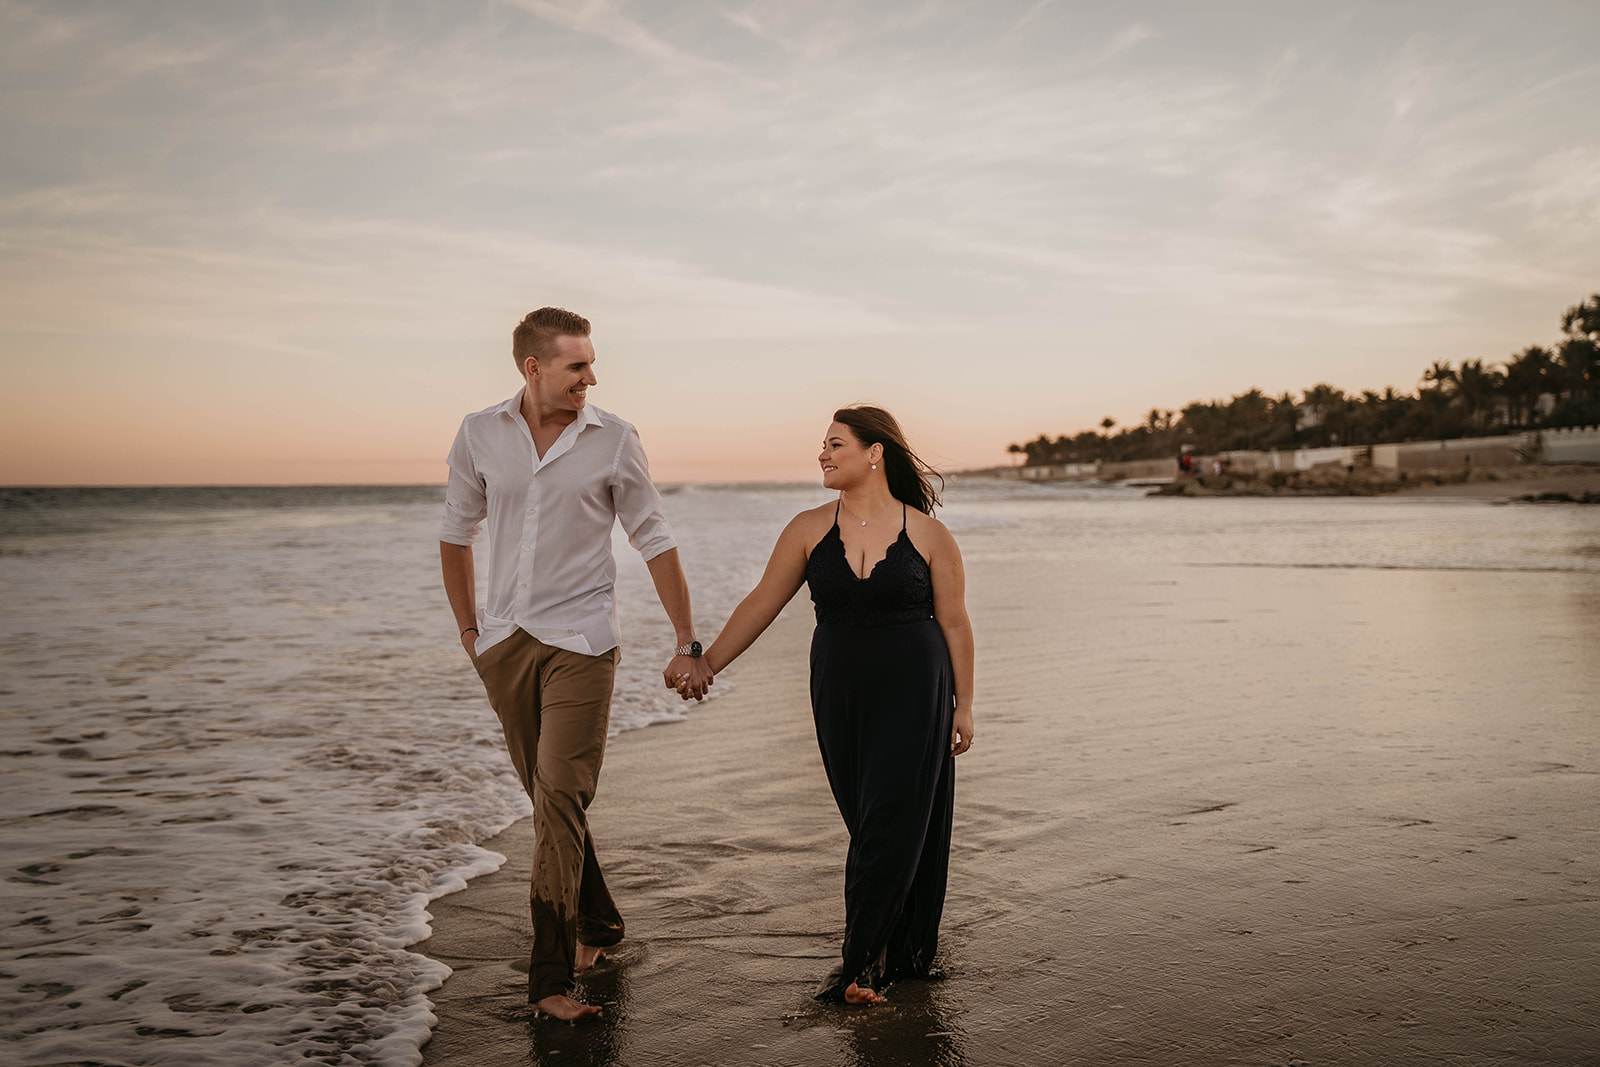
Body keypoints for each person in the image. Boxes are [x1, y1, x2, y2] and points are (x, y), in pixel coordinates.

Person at [439, 307, 713, 1021]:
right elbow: (454, 532)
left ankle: (550, 979)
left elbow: (654, 537)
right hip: (504, 645)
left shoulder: (614, 439)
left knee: (560, 795)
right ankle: (600, 923)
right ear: (533, 368)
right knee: (548, 800)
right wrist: (472, 631)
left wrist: (687, 641)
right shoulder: (479, 433)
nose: (592, 377)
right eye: (576, 366)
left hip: (584, 644)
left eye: (591, 364)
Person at [675, 405, 976, 1005]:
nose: (823, 454)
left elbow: (955, 623)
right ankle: (903, 949)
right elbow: (762, 603)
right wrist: (705, 661)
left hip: (917, 690)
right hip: (839, 693)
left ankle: (860, 968)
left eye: (835, 444)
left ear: (874, 453)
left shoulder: (929, 534)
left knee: (890, 819)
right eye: (823, 445)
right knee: (869, 822)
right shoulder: (808, 528)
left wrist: (964, 705)